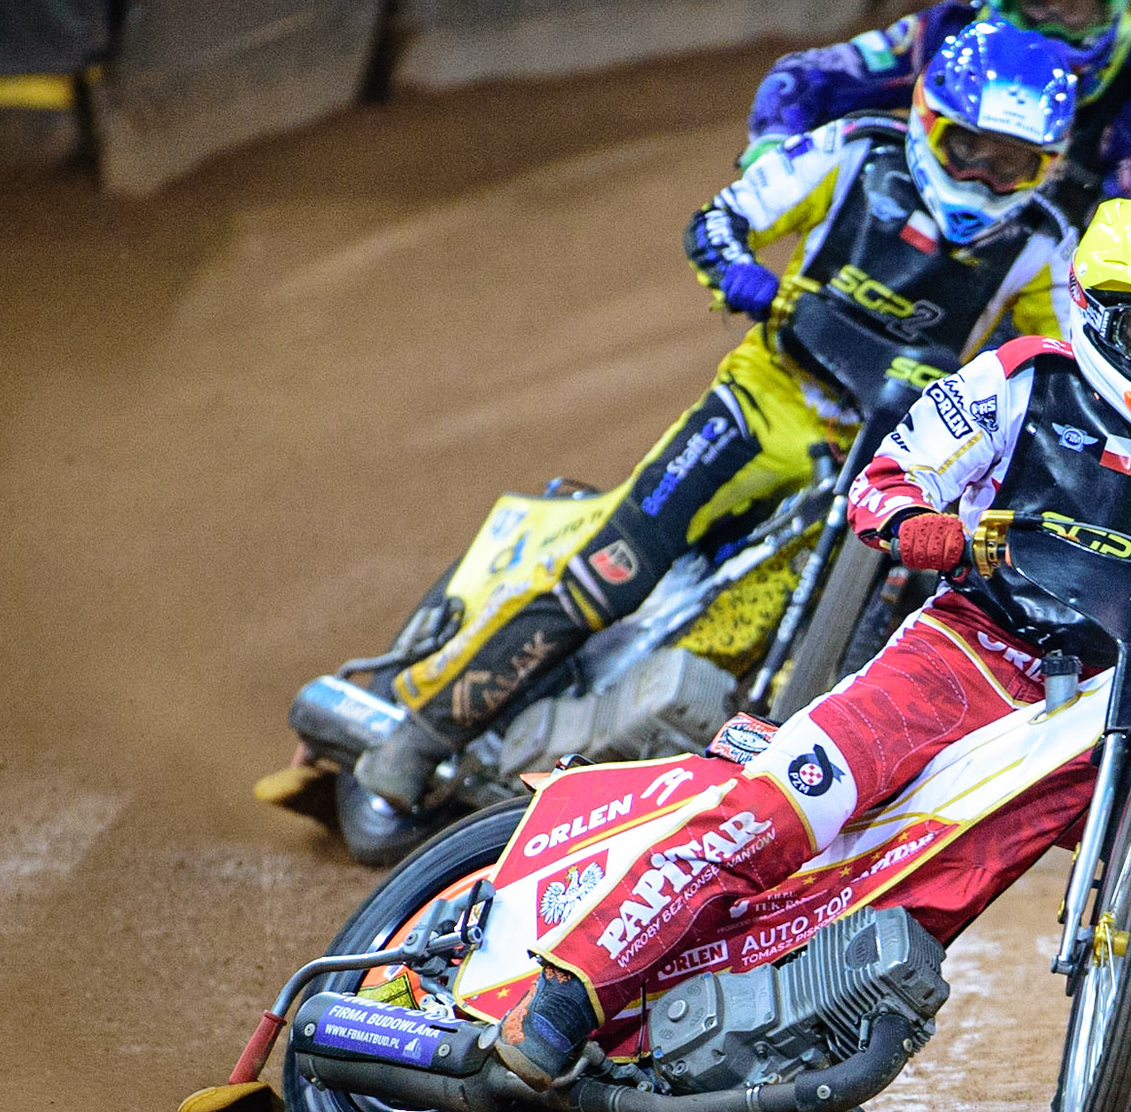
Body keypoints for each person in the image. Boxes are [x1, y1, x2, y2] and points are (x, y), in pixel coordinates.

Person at [491, 192, 1131, 1112]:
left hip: (1118, 705)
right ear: (1094, 316)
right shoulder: (1020, 379)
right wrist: (918, 523)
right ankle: (569, 989)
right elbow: (888, 479)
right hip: (961, 657)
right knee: (779, 812)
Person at [354, 23, 1083, 809]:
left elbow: (1056, 372)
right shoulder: (851, 153)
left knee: (914, 604)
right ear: (925, 118)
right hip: (768, 401)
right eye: (965, 147)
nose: (979, 177)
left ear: (1048, 167)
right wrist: (747, 280)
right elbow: (717, 221)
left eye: (1010, 164)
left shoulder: (1044, 244)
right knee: (617, 568)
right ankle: (414, 743)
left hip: (894, 453)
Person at [743, 0, 1131, 226]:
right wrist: (771, 149)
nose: (1051, 20)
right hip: (889, 258)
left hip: (1024, 305)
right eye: (1037, 1)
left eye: (1072, 5)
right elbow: (802, 77)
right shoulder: (946, 32)